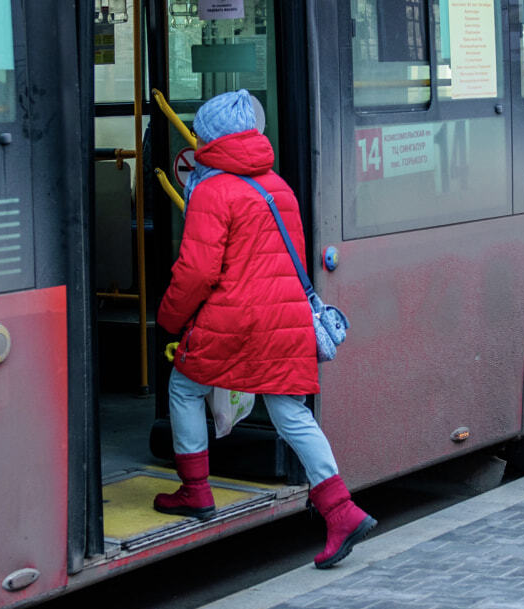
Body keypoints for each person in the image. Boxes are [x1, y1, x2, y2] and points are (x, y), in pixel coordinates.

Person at [154, 89, 376, 569]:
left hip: (234, 321)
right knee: (290, 412)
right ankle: (340, 510)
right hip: (287, 319)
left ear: (210, 136)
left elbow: (197, 272)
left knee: (184, 387)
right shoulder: (278, 185)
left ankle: (196, 491)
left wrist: (169, 319)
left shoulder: (211, 189)